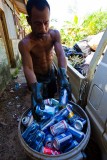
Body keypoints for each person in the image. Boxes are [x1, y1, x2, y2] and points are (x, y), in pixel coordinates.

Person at [18, 0, 71, 111]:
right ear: (29, 21)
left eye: (46, 22)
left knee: (51, 99)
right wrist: (35, 89)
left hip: (51, 74)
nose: (43, 28)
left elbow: (61, 54)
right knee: (39, 107)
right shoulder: (25, 44)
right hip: (37, 79)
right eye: (38, 23)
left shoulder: (54, 35)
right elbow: (28, 67)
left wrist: (63, 74)